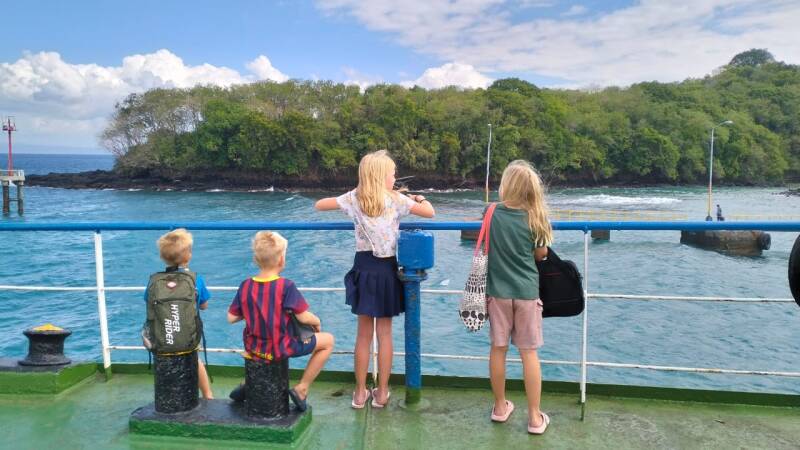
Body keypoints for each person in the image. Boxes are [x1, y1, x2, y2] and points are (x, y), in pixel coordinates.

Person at [314, 150, 435, 409]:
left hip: (363, 268)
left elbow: (320, 205)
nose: (395, 178)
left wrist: (352, 194)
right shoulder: (396, 200)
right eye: (392, 174)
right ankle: (381, 393)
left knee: (363, 336)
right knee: (385, 334)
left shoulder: (354, 198)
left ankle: (360, 393)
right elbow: (429, 212)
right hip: (387, 270)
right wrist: (417, 197)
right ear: (382, 177)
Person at [227, 231, 334, 411]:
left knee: (261, 351)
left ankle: (250, 383)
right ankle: (302, 388)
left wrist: (255, 308)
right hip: (279, 347)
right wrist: (316, 321)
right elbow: (303, 316)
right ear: (281, 260)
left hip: (254, 347)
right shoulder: (286, 286)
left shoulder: (245, 285)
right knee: (328, 341)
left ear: (256, 259)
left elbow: (231, 318)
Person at [485, 160, 553, 435]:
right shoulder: (535, 217)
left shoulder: (491, 212)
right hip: (526, 292)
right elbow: (541, 254)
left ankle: (500, 407)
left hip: (497, 293)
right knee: (529, 353)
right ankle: (535, 418)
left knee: (498, 349)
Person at [145, 228, 213, 399]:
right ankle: (208, 394)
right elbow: (204, 306)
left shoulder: (154, 281)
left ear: (163, 257)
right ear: (188, 256)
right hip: (189, 341)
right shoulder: (196, 279)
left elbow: (148, 303)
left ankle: (168, 397)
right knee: (196, 360)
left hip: (162, 341)